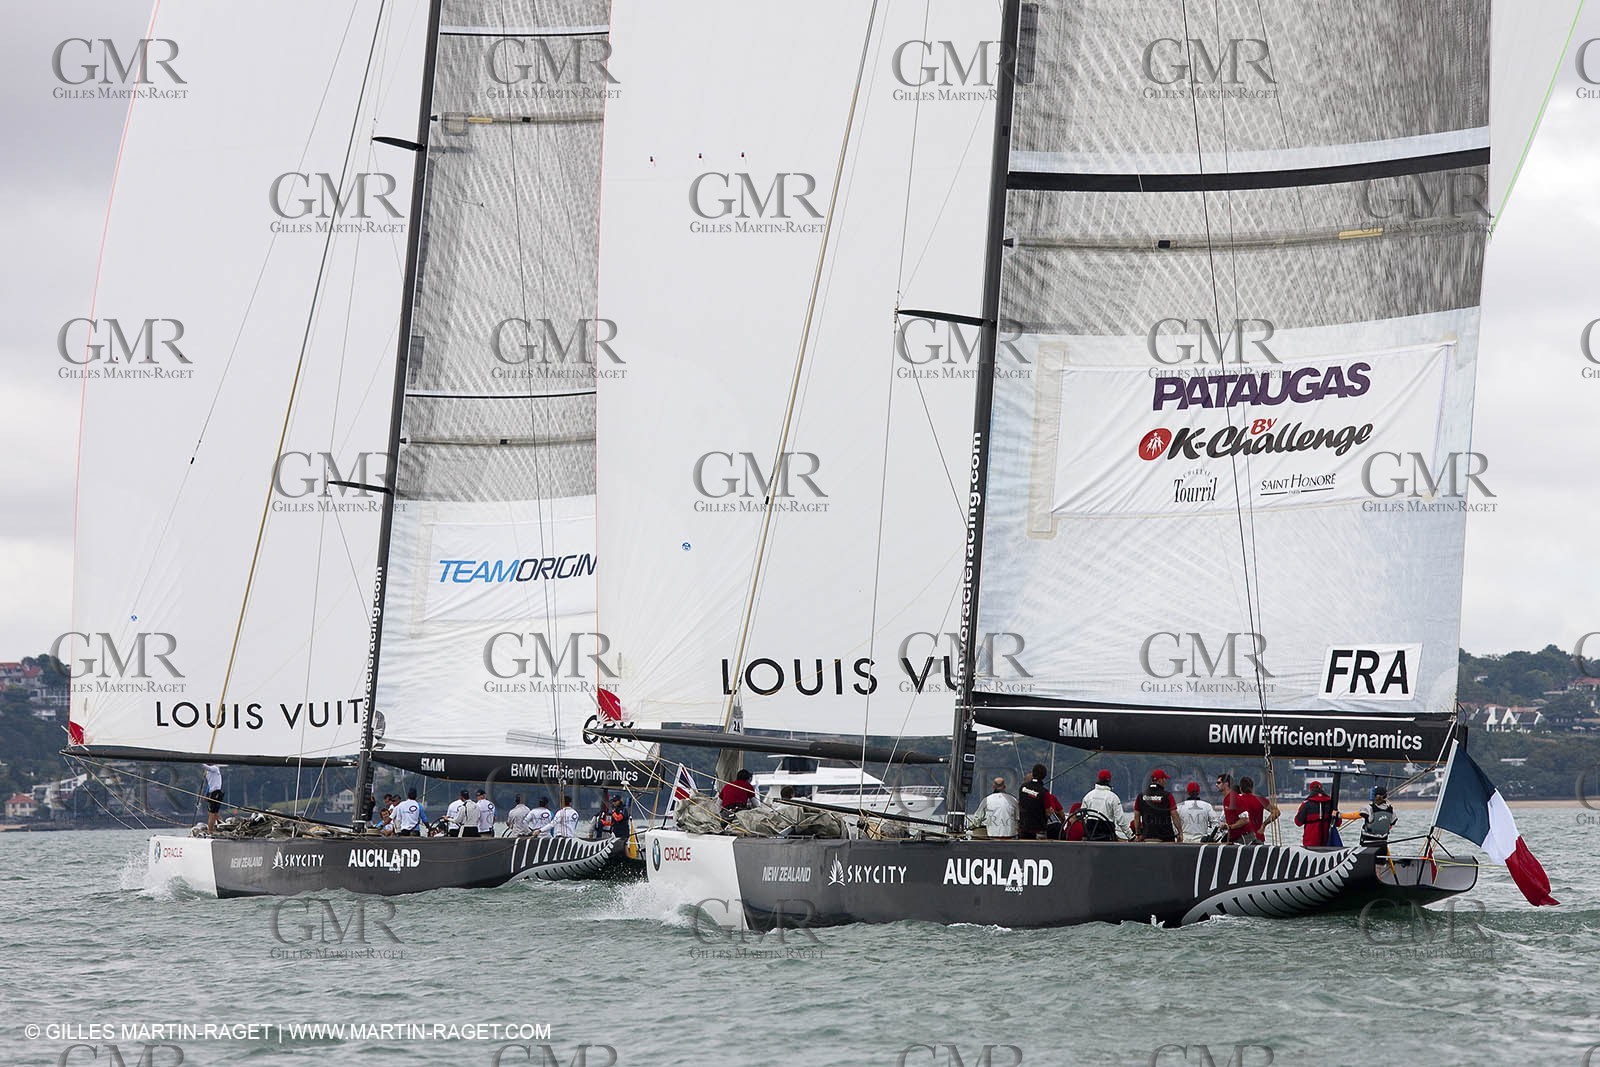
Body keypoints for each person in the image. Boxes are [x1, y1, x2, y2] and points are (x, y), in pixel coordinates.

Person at [1226, 776, 1277, 845]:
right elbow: (1276, 812)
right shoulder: (1261, 800)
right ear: (1252, 788)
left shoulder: (1237, 801)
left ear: (1240, 788)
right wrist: (1264, 824)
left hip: (1242, 839)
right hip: (1258, 837)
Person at [1132, 769, 1181, 842]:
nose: (1165, 782)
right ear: (1160, 780)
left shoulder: (1141, 796)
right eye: (1164, 779)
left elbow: (1136, 816)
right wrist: (1180, 832)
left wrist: (1138, 834)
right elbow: (1174, 814)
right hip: (1166, 838)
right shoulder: (1168, 796)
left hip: (1147, 837)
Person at [1354, 786, 1399, 855]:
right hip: (1383, 846)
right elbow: (1392, 823)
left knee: (1368, 864)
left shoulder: (1368, 808)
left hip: (1368, 845)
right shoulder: (1391, 811)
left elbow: (1355, 815)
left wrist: (1339, 815)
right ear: (1385, 796)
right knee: (1380, 864)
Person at [1294, 780, 1339, 847]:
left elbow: (1298, 822)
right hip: (1327, 841)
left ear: (1310, 790)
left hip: (1311, 841)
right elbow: (1338, 822)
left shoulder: (1306, 804)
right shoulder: (1331, 803)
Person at [1016, 764, 1050, 839]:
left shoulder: (1022, 787)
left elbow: (1020, 804)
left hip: (1024, 828)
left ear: (1033, 773)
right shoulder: (1045, 792)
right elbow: (1047, 813)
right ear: (1044, 776)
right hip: (1038, 830)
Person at [201, 763, 224, 832]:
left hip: (216, 793)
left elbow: (208, 768)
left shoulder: (215, 768)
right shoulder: (208, 772)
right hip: (212, 793)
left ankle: (210, 832)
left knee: (212, 814)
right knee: (215, 813)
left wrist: (199, 761)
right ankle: (223, 826)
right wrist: (206, 794)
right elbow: (209, 785)